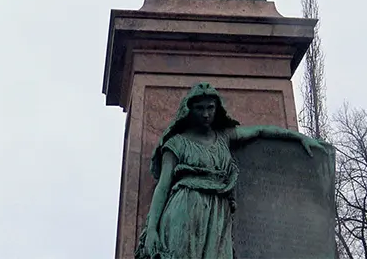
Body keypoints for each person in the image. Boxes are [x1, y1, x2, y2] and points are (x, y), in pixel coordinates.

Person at [135, 82, 326, 259]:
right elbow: (163, 186)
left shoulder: (224, 137)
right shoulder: (176, 144)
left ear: (217, 109)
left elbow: (261, 131)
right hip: (186, 206)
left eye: (210, 108)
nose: (205, 114)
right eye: (199, 108)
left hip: (218, 211)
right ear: (189, 110)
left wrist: (299, 138)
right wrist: (152, 229)